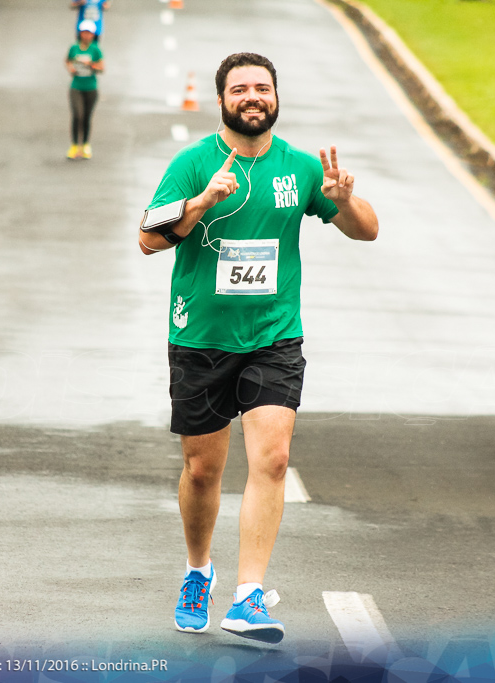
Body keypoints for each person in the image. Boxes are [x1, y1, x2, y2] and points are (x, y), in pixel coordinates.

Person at [139, 53, 378, 643]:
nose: (252, 96)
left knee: (271, 459)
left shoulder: (299, 167)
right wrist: (200, 204)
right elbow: (147, 238)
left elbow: (368, 229)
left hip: (274, 336)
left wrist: (342, 199)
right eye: (240, 88)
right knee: (202, 470)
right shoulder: (193, 164)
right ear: (222, 99)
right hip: (200, 338)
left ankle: (249, 597)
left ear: (275, 97)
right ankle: (199, 571)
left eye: (262, 88)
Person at [64, 20, 103, 160]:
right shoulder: (74, 48)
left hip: (91, 88)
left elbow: (102, 68)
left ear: (93, 35)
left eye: (89, 33)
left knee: (86, 117)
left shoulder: (95, 50)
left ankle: (85, 144)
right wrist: (71, 69)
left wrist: (91, 65)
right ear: (80, 33)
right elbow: (67, 60)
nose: (86, 35)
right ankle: (74, 145)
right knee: (77, 115)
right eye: (84, 32)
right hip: (76, 87)